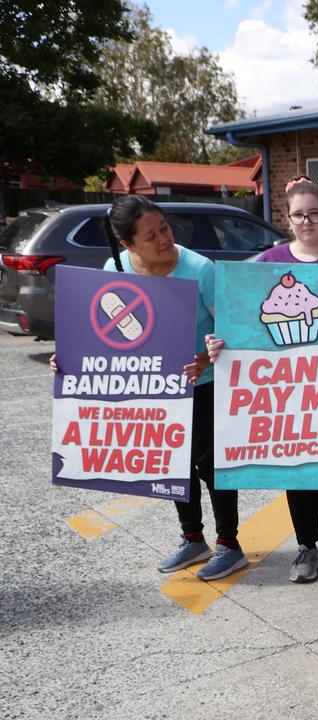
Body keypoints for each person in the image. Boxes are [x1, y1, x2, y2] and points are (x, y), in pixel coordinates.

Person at [51, 195, 246, 580]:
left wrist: (206, 358)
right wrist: (68, 358)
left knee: (213, 467)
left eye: (165, 229)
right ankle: (193, 538)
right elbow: (101, 331)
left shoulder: (199, 269)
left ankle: (229, 546)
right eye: (151, 236)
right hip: (155, 386)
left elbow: (234, 330)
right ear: (128, 245)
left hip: (203, 384)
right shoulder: (117, 266)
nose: (163, 240)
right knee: (172, 463)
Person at [207, 175, 318, 585]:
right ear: (288, 219)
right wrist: (221, 348)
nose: (307, 222)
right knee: (298, 469)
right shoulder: (268, 266)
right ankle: (306, 546)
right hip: (286, 391)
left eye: (315, 214)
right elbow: (240, 325)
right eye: (299, 215)